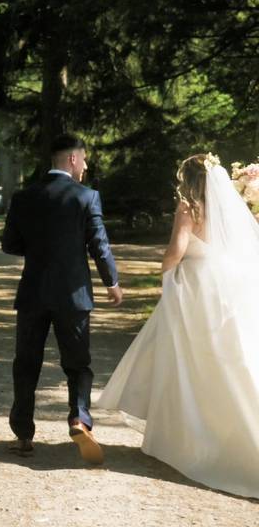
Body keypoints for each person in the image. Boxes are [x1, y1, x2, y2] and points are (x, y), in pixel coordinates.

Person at [96, 154, 259, 498]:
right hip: (229, 281)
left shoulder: (189, 206)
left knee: (190, 361)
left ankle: (192, 436)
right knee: (230, 357)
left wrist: (166, 275)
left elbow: (177, 249)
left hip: (198, 284)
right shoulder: (225, 206)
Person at [1, 133, 124, 464]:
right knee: (78, 365)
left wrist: (41, 248)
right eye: (83, 159)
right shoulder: (86, 197)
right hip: (74, 295)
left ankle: (24, 435)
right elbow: (99, 244)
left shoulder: (24, 197)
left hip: (33, 293)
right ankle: (79, 419)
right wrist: (111, 281)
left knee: (26, 364)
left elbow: (9, 245)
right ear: (72, 159)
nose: (85, 166)